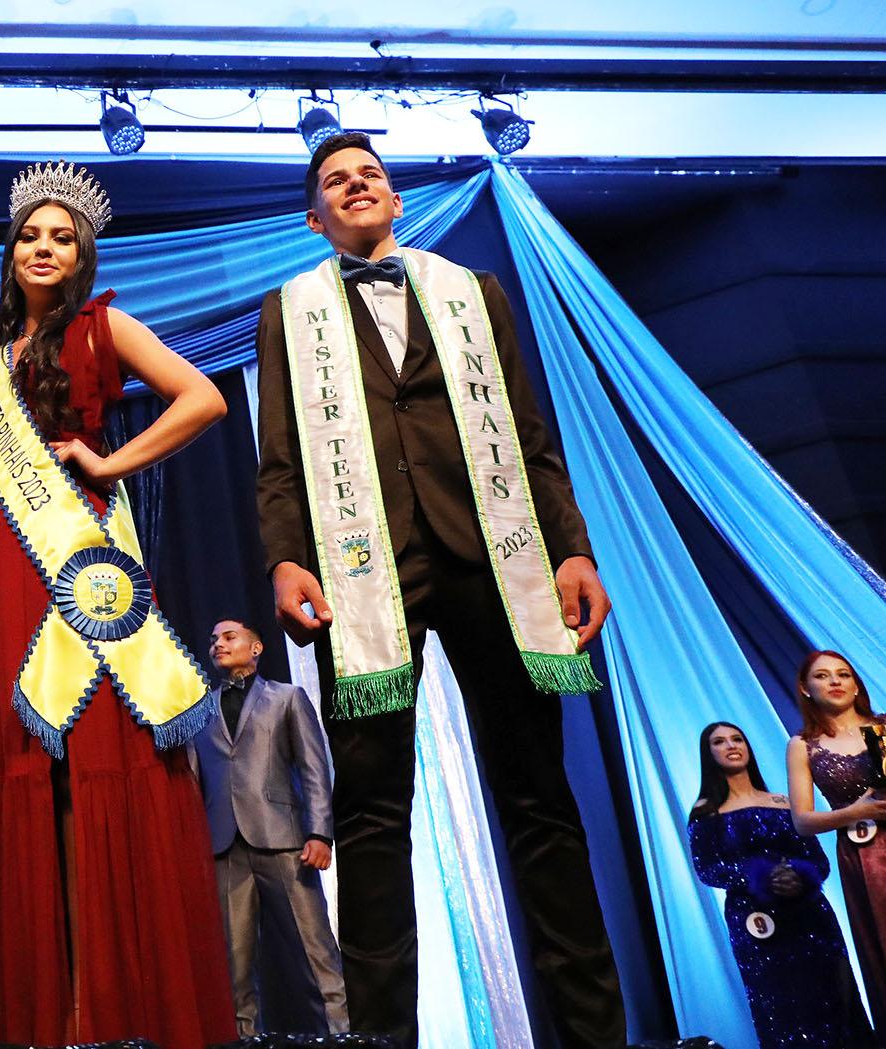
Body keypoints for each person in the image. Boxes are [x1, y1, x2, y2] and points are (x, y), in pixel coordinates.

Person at [254, 132, 621, 1047]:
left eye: (370, 174)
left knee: (540, 797)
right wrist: (284, 557)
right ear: (314, 218)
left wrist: (571, 549)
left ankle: (594, 1034)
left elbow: (528, 433)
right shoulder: (289, 309)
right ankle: (383, 1037)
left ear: (394, 198)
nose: (357, 185)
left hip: (495, 555)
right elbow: (280, 458)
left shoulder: (470, 291)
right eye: (336, 181)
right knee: (370, 811)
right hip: (362, 571)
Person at [0, 161, 235, 1049]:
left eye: (61, 237)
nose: (43, 247)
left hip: (78, 567)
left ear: (83, 255)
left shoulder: (104, 326)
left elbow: (204, 398)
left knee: (99, 755)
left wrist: (110, 463)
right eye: (29, 235)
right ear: (10, 252)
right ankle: (30, 1017)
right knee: (14, 763)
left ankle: (118, 1011)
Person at [188, 617, 346, 1035]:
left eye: (229, 637)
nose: (218, 644)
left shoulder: (287, 698)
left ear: (256, 648)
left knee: (315, 952)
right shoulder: (199, 712)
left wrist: (319, 833)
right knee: (234, 964)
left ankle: (340, 1036)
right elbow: (192, 783)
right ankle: (244, 1039)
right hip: (225, 847)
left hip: (284, 841)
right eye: (213, 639)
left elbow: (313, 768)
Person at [786, 649, 886, 1046]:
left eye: (843, 674)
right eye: (822, 676)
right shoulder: (802, 745)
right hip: (866, 861)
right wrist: (855, 812)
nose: (835, 681)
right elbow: (802, 821)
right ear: (805, 688)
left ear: (856, 685)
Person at [688, 720, 872, 1048]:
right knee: (781, 1006)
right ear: (707, 753)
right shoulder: (705, 812)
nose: (731, 746)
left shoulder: (784, 803)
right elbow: (708, 869)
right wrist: (759, 877)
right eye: (719, 741)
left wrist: (799, 876)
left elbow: (819, 862)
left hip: (810, 916)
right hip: (755, 922)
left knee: (836, 997)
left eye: (737, 739)